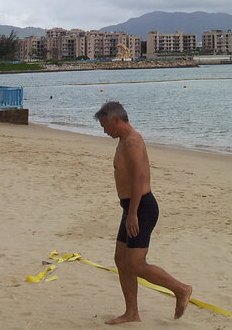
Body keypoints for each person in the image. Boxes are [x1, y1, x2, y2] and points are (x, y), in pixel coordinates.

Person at [93, 101, 192, 324]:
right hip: (130, 208)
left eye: (105, 125)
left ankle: (181, 289)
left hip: (142, 208)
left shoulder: (132, 142)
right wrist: (129, 211)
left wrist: (133, 213)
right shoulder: (123, 140)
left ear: (116, 119)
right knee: (121, 259)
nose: (104, 130)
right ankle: (132, 313)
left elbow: (139, 178)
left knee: (137, 263)